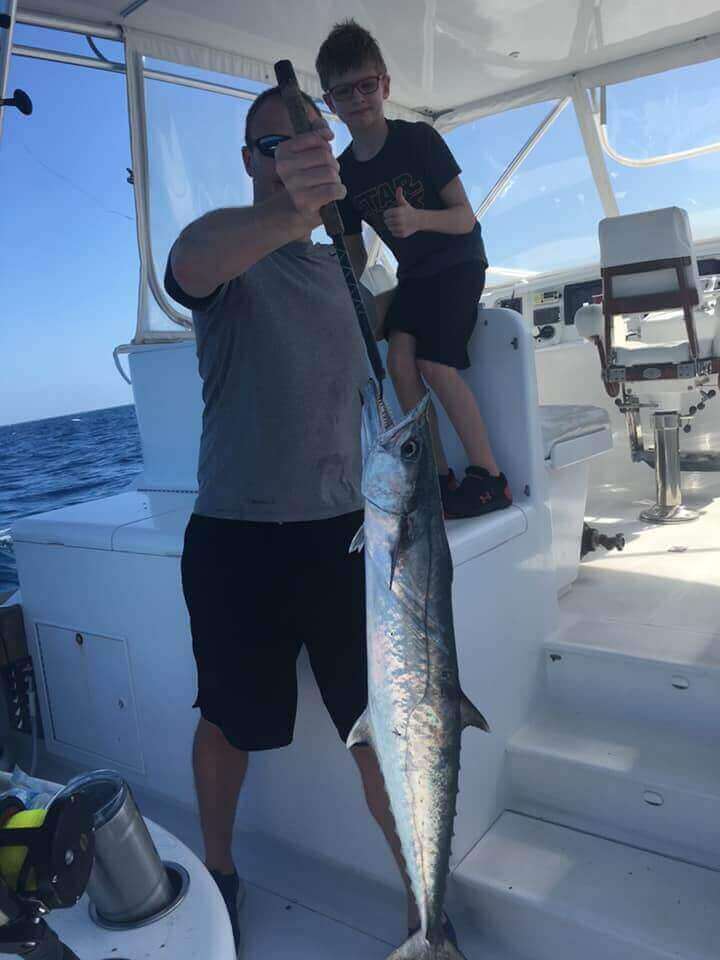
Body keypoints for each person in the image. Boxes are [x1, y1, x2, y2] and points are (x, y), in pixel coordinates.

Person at [164, 85, 421, 955]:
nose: (300, 149)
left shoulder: (348, 275)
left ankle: (425, 899)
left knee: (379, 727)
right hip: (239, 538)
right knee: (230, 721)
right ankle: (221, 870)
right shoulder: (232, 260)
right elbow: (187, 262)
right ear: (252, 162)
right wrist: (293, 206)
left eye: (312, 135)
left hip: (349, 537)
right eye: (277, 142)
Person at [317, 19, 512, 519]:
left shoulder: (418, 141)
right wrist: (360, 298)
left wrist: (416, 219)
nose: (358, 99)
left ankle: (490, 478)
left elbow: (465, 217)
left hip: (459, 261)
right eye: (345, 91)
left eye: (366, 85)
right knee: (398, 365)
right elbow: (355, 254)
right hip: (416, 278)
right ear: (329, 102)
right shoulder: (344, 174)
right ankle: (436, 477)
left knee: (433, 364)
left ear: (384, 85)